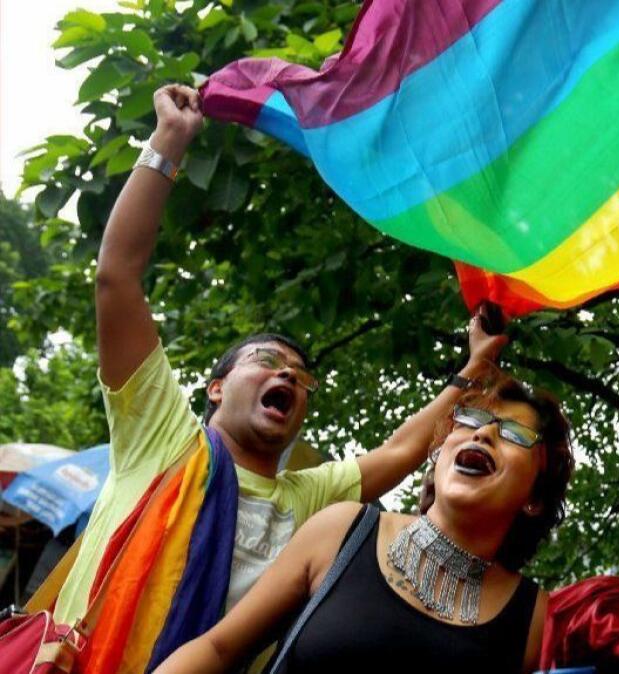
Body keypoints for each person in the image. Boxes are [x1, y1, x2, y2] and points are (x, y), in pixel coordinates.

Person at [53, 83, 507, 644]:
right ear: (216, 389)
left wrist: (476, 366)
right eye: (267, 361)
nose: (288, 375)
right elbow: (116, 276)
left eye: (301, 375)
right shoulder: (161, 437)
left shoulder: (307, 498)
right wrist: (168, 142)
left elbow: (405, 451)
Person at [154, 372, 574, 674]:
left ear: (536, 498)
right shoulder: (342, 530)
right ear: (440, 453)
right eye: (473, 422)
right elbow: (218, 649)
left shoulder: (539, 620)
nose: (483, 435)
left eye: (516, 434)